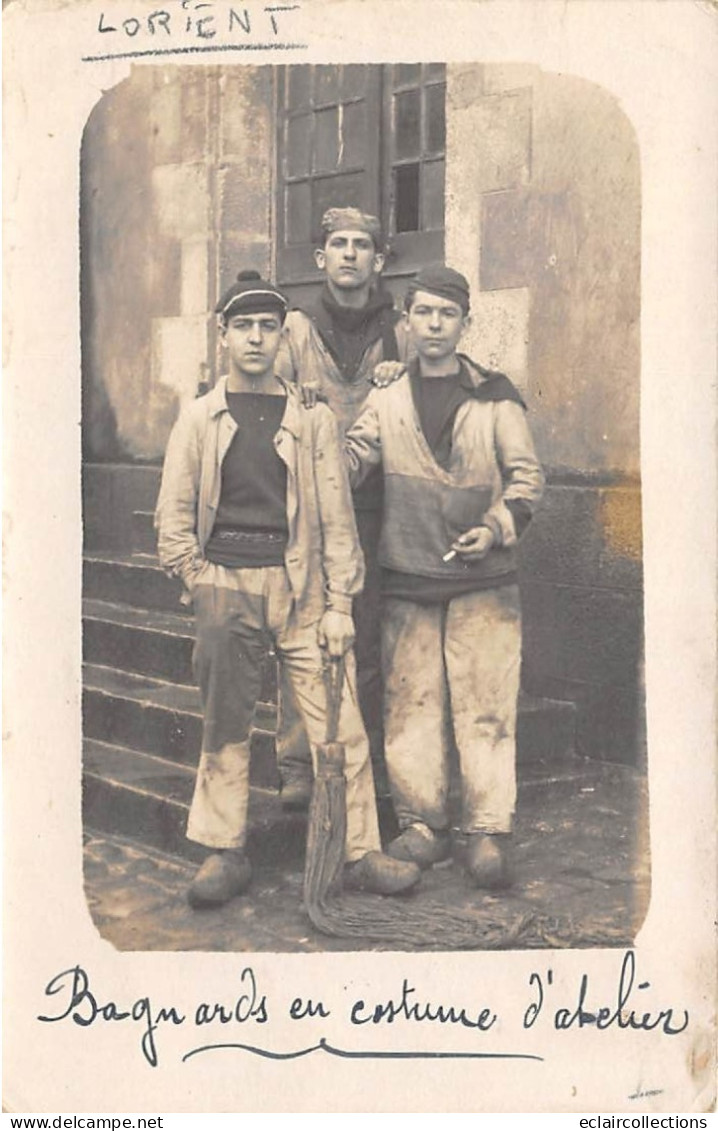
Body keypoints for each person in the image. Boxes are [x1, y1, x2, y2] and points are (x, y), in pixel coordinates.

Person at [154, 270, 421, 907]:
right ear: (223, 337)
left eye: (266, 327)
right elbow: (172, 517)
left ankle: (359, 850)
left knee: (341, 723)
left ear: (282, 337)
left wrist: (338, 604)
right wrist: (201, 582)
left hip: (301, 590)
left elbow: (336, 516)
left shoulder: (312, 419)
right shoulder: (198, 418)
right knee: (226, 725)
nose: (255, 338)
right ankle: (225, 849)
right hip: (228, 585)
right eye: (242, 327)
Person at [344, 265, 545, 889]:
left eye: (446, 314)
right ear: (406, 319)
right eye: (423, 313)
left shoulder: (495, 396)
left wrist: (495, 527)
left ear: (464, 322)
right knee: (411, 706)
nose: (433, 325)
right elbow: (351, 461)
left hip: (485, 580)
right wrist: (311, 437)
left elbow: (527, 480)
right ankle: (422, 824)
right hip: (406, 573)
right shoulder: (386, 396)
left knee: (486, 705)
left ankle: (485, 830)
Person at [273, 206, 410, 808]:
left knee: (371, 632)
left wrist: (404, 370)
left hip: (379, 504)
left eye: (362, 245)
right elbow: (264, 391)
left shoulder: (399, 328)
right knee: (305, 629)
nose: (349, 254)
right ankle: (299, 763)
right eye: (338, 244)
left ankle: (368, 756)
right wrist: (290, 394)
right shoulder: (296, 330)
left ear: (378, 261)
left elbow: (427, 386)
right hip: (310, 508)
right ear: (320, 259)